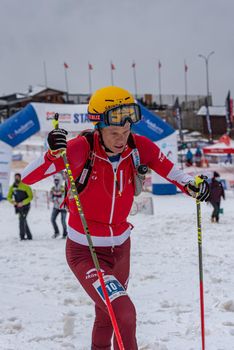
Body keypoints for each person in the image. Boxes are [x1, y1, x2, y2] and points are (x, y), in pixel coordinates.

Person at [21, 86, 210, 349]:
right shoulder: (79, 149)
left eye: (126, 131)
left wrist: (193, 185)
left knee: (106, 317)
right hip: (85, 251)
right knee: (124, 313)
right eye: (114, 133)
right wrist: (53, 153)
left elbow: (173, 172)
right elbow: (29, 177)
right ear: (98, 127)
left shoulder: (138, 147)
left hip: (121, 249)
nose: (121, 139)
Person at [7, 172, 33, 240]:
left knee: (22, 220)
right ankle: (29, 236)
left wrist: (23, 203)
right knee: (23, 220)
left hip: (26, 206)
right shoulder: (12, 187)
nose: (16, 178)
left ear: (20, 178)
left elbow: (30, 197)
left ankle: (22, 237)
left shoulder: (26, 186)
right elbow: (8, 197)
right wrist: (13, 202)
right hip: (18, 207)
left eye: (18, 177)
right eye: (15, 177)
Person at [50, 173, 68, 238]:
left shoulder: (63, 188)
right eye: (55, 180)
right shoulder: (53, 188)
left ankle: (65, 234)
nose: (56, 181)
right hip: (56, 207)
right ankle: (56, 232)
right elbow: (50, 198)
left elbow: (64, 198)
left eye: (57, 180)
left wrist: (57, 196)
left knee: (63, 221)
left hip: (63, 207)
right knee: (52, 219)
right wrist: (54, 198)